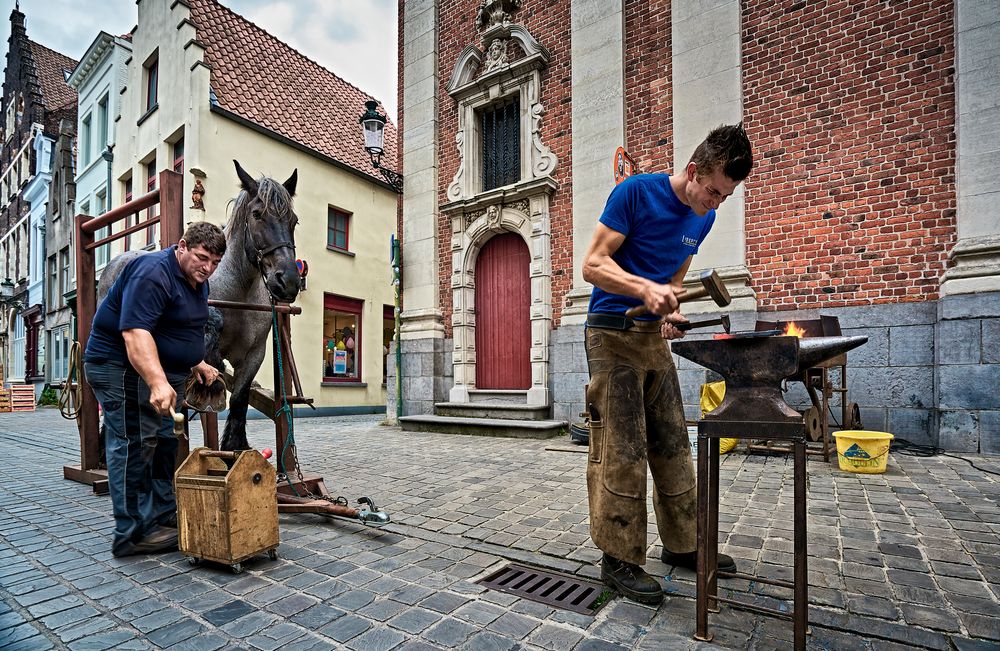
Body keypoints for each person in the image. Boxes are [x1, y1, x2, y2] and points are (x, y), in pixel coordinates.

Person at [581, 123, 753, 604]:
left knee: (675, 443)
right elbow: (592, 264)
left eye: (726, 196)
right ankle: (618, 560)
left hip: (649, 337)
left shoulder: (704, 218)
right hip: (611, 333)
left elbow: (673, 282)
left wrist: (670, 313)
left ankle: (683, 544)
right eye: (714, 191)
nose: (715, 203)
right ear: (695, 171)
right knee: (623, 449)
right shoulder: (635, 193)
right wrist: (642, 289)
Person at [84, 222, 226, 557]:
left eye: (215, 262)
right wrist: (158, 382)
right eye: (202, 257)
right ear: (181, 246)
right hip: (119, 366)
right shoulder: (153, 272)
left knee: (165, 441)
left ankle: (162, 515)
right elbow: (136, 333)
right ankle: (132, 532)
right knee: (135, 442)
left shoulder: (196, 282)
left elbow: (176, 328)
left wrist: (197, 363)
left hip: (161, 370)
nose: (208, 267)